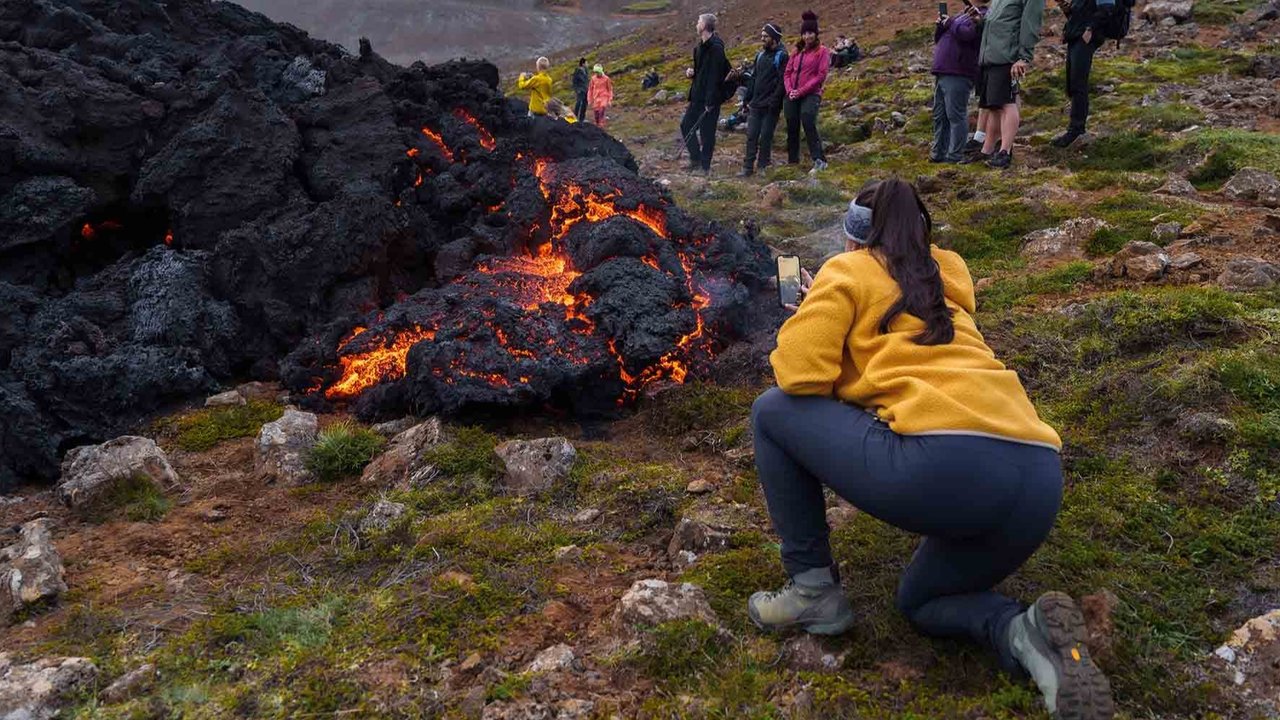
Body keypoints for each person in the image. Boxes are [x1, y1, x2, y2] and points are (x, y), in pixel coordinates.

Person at [748, 177, 1116, 720]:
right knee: (921, 603)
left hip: (942, 469)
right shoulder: (942, 279)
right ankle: (1024, 632)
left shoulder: (846, 271)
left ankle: (812, 590)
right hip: (1038, 478)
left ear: (853, 242)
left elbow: (800, 379)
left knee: (771, 412)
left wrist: (812, 312)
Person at [973, 0, 1045, 168]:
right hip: (992, 56)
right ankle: (988, 149)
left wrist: (1023, 57)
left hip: (1007, 56)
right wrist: (980, 21)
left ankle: (1005, 151)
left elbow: (1031, 23)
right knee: (993, 106)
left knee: (1007, 103)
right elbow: (998, 22)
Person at [931, 0, 986, 163]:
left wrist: (951, 22)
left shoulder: (982, 15)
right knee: (940, 115)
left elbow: (967, 35)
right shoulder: (962, 15)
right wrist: (941, 26)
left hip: (959, 71)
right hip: (943, 70)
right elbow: (939, 39)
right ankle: (938, 153)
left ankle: (955, 155)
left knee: (955, 115)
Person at [680, 13, 730, 174]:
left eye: (698, 22)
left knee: (707, 133)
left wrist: (710, 102)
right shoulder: (699, 48)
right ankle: (696, 159)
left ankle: (705, 166)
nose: (696, 24)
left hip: (710, 100)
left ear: (704, 26)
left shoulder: (716, 49)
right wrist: (692, 73)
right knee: (686, 125)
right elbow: (703, 72)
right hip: (697, 97)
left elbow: (715, 77)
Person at [1052, 0, 1106, 147]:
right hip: (1075, 36)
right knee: (1072, 83)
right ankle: (1074, 128)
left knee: (1078, 83)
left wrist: (1090, 29)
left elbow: (1107, 9)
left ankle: (1076, 129)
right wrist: (1064, 6)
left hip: (1086, 37)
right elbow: (1076, 14)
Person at [738, 23, 789, 176]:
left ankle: (762, 166)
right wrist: (747, 99)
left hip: (771, 106)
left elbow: (782, 81)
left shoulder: (782, 56)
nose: (762, 39)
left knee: (766, 137)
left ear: (774, 38)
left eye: (765, 36)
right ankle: (747, 167)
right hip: (756, 103)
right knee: (751, 135)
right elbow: (754, 78)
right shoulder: (759, 56)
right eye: (762, 36)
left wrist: (775, 101)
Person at [783, 11, 831, 174]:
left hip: (811, 94)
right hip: (792, 94)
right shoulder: (797, 51)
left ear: (815, 34)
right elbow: (787, 72)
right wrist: (790, 90)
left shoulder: (822, 51)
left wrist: (801, 91)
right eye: (804, 33)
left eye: (810, 33)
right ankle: (792, 160)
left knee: (808, 121)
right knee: (791, 125)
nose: (807, 36)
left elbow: (821, 75)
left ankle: (819, 159)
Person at [587, 64, 614, 128]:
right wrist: (589, 99)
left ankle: (601, 122)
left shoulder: (606, 79)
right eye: (595, 72)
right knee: (596, 112)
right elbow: (590, 89)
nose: (596, 74)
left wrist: (610, 99)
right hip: (596, 97)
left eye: (597, 72)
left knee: (602, 108)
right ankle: (597, 123)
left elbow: (610, 89)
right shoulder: (593, 79)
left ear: (600, 71)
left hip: (604, 96)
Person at [572, 58, 590, 124]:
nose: (587, 64)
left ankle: (582, 118)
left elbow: (587, 80)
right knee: (579, 103)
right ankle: (575, 117)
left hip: (586, 90)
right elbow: (574, 81)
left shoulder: (586, 71)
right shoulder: (577, 71)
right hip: (580, 90)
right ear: (583, 64)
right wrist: (577, 89)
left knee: (585, 104)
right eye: (586, 63)